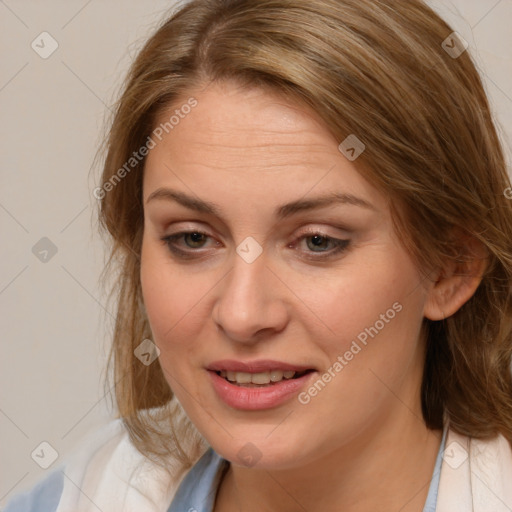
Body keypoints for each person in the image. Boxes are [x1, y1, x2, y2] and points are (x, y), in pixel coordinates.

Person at [5, 0, 512, 510]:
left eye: (317, 241)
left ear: (451, 268)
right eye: (193, 238)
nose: (242, 315)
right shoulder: (78, 496)